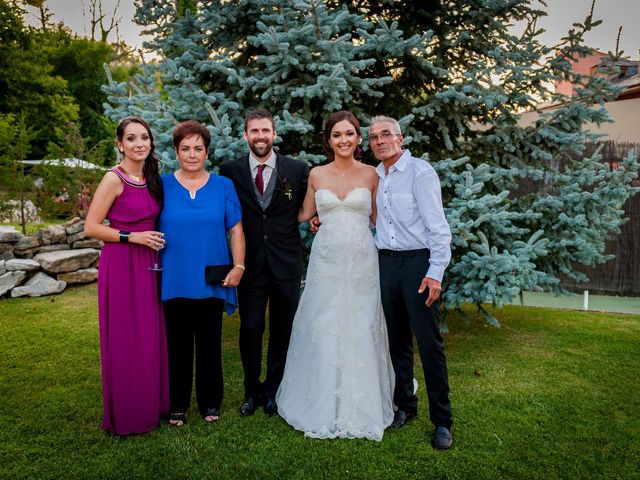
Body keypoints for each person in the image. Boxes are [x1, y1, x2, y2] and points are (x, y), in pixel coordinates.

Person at [276, 110, 395, 441]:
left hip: (361, 263)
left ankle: (362, 401)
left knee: (361, 324)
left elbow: (378, 219)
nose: (344, 140)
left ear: (358, 138)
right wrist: (311, 219)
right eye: (337, 135)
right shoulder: (316, 174)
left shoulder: (372, 174)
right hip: (326, 262)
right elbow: (303, 214)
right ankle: (321, 401)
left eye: (350, 134)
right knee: (324, 324)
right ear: (329, 140)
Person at [369, 115, 454, 449]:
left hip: (418, 263)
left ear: (400, 138)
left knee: (429, 343)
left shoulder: (420, 172)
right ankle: (405, 405)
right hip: (386, 263)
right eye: (374, 137)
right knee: (397, 341)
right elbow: (371, 218)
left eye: (385, 134)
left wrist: (435, 272)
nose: (379, 141)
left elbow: (438, 226)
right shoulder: (375, 176)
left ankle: (443, 421)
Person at [219, 109, 309, 417]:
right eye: (254, 131)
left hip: (286, 263)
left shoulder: (296, 169)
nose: (260, 136)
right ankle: (250, 389)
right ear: (246, 136)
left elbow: (310, 204)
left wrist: (319, 217)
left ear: (274, 134)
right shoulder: (229, 171)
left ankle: (273, 390)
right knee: (251, 328)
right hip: (250, 264)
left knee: (283, 329)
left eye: (265, 130)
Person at [85, 115, 169, 436]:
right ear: (119, 144)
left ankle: (153, 404)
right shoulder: (113, 179)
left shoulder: (152, 177)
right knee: (125, 337)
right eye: (131, 139)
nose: (139, 144)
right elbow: (91, 227)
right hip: (121, 265)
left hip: (151, 264)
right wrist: (131, 237)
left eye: (144, 138)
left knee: (149, 334)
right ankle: (128, 413)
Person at [159, 120, 245, 426]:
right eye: (186, 149)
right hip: (174, 277)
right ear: (177, 152)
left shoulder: (223, 186)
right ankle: (177, 405)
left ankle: (211, 402)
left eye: (198, 148)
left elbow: (235, 230)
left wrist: (239, 267)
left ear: (207, 152)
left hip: (213, 278)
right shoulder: (163, 185)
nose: (192, 154)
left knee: (210, 344)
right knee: (177, 346)